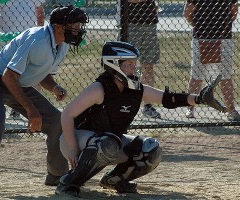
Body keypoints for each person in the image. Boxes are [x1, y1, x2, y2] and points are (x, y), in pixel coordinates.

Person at [55, 41, 227, 197]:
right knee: (107, 143)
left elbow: (167, 98)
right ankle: (69, 183)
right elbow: (67, 114)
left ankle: (115, 180)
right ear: (114, 64)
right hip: (76, 138)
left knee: (150, 149)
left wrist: (199, 98)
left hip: (109, 142)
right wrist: (71, 148)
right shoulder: (99, 88)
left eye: (134, 63)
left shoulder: (135, 88)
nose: (134, 67)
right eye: (129, 63)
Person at [0, 5, 88, 195]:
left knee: (56, 121)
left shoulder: (63, 43)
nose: (78, 29)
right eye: (74, 24)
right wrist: (31, 110)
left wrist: (54, 87)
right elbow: (7, 76)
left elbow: (42, 73)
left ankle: (56, 175)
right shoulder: (37, 39)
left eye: (79, 24)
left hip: (17, 84)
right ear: (58, 26)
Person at [0, 0, 46, 120]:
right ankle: (13, 108)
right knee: (10, 74)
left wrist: (40, 36)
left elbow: (40, 12)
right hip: (8, 41)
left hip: (30, 40)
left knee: (32, 72)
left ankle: (36, 108)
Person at [184, 0, 240, 121]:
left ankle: (231, 109)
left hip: (224, 37)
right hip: (201, 37)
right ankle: (190, 108)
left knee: (225, 75)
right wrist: (198, 25)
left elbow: (234, 9)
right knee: (197, 75)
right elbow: (188, 12)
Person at [120, 0, 161, 118]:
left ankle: (147, 105)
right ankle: (127, 102)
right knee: (131, 66)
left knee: (148, 65)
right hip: (131, 24)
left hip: (149, 23)